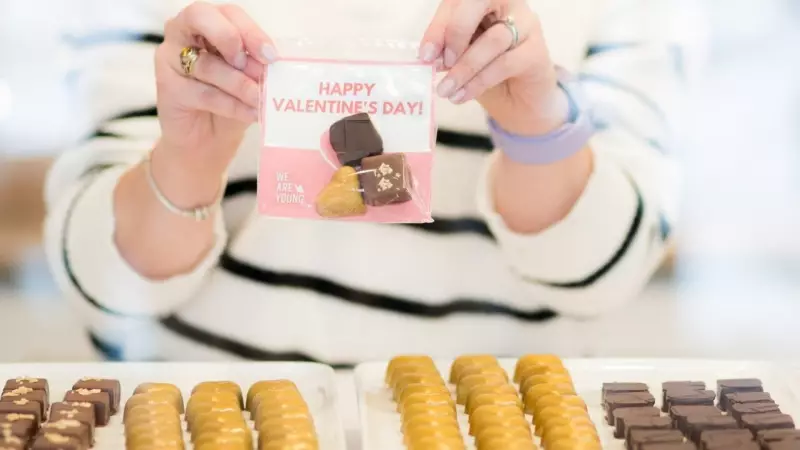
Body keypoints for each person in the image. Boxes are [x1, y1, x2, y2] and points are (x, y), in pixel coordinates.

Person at [44, 0, 678, 364]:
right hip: (213, 417)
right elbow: (100, 284)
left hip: (491, 417)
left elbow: (609, 270)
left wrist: (538, 128)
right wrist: (187, 160)